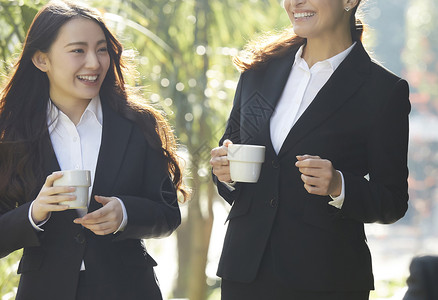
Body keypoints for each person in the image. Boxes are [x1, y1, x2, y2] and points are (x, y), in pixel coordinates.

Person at [210, 0, 410, 299]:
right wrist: (225, 172)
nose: (294, 2)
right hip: (246, 272)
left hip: (327, 278)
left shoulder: (383, 91)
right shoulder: (258, 70)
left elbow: (392, 201)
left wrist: (339, 185)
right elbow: (232, 151)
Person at [0, 1, 188, 299]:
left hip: (128, 289)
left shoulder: (138, 124)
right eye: (78, 50)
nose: (94, 63)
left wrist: (124, 214)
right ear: (41, 59)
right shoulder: (10, 131)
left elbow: (168, 214)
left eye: (102, 49)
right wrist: (35, 212)